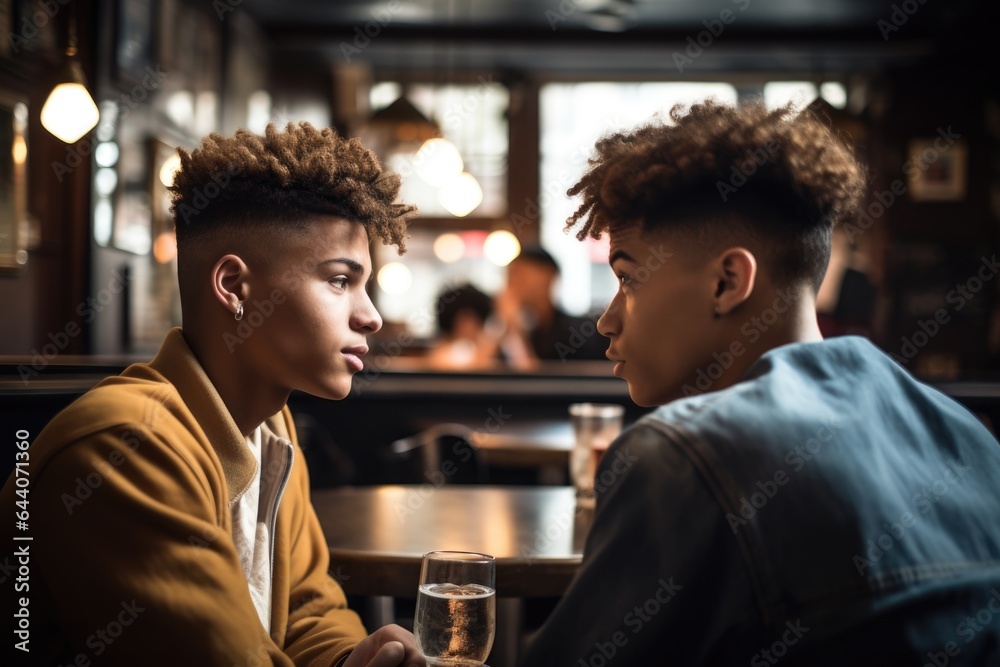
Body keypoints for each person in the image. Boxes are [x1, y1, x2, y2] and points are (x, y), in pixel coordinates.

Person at [522, 101, 1000, 665]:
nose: (608, 319)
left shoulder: (683, 456)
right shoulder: (969, 438)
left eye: (628, 278)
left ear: (728, 282)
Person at [1, 123, 426, 666]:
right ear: (233, 287)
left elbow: (306, 610)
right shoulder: (126, 445)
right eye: (341, 280)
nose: (371, 316)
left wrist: (353, 658)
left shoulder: (271, 427)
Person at [494, 246, 607, 367]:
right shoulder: (527, 330)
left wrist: (517, 335)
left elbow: (539, 382)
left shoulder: (579, 334)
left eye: (518, 275)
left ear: (547, 277)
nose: (510, 283)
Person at [425, 283, 500, 370]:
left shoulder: (441, 351)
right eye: (480, 322)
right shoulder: (448, 355)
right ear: (465, 320)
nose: (481, 330)